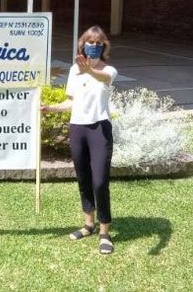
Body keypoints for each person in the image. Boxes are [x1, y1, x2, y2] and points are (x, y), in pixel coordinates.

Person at [41, 25, 118, 255]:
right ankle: (88, 224)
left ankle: (104, 233)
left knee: (100, 181)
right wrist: (50, 108)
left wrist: (90, 70)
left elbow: (103, 78)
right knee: (83, 178)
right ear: (82, 44)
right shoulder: (75, 70)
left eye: (98, 43)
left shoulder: (109, 70)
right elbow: (72, 102)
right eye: (89, 42)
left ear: (104, 46)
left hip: (99, 129)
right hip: (78, 128)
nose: (93, 46)